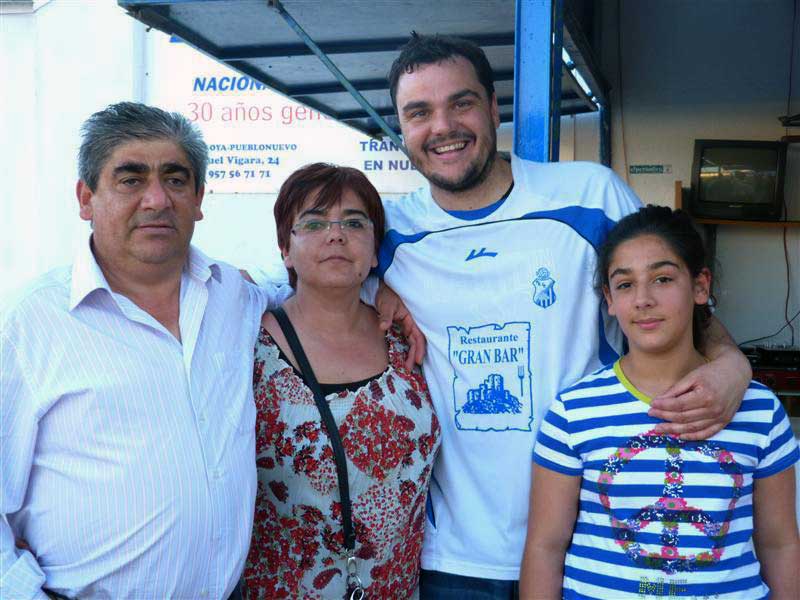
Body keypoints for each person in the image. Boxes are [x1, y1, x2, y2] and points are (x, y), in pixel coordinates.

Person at [373, 34, 752, 597]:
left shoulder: (588, 195)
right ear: (401, 128)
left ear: (493, 107)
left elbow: (670, 300)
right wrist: (374, 295)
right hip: (453, 556)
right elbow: (299, 293)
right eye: (419, 112)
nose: (443, 126)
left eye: (461, 102)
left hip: (594, 543)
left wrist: (730, 363)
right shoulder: (384, 232)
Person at [0, 102, 292, 599]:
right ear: (85, 198)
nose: (157, 199)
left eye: (175, 180)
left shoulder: (233, 296)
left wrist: (383, 283)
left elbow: (311, 279)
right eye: (131, 179)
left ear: (199, 198)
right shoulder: (33, 322)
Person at [521, 206, 799, 599]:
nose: (643, 300)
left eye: (663, 278)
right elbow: (544, 548)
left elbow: (780, 544)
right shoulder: (573, 412)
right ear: (609, 300)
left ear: (701, 286)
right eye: (625, 284)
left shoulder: (760, 411)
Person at [242, 163, 440, 598]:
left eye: (354, 222)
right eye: (313, 223)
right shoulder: (243, 343)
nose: (335, 234)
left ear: (374, 252)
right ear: (285, 249)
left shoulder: (408, 337)